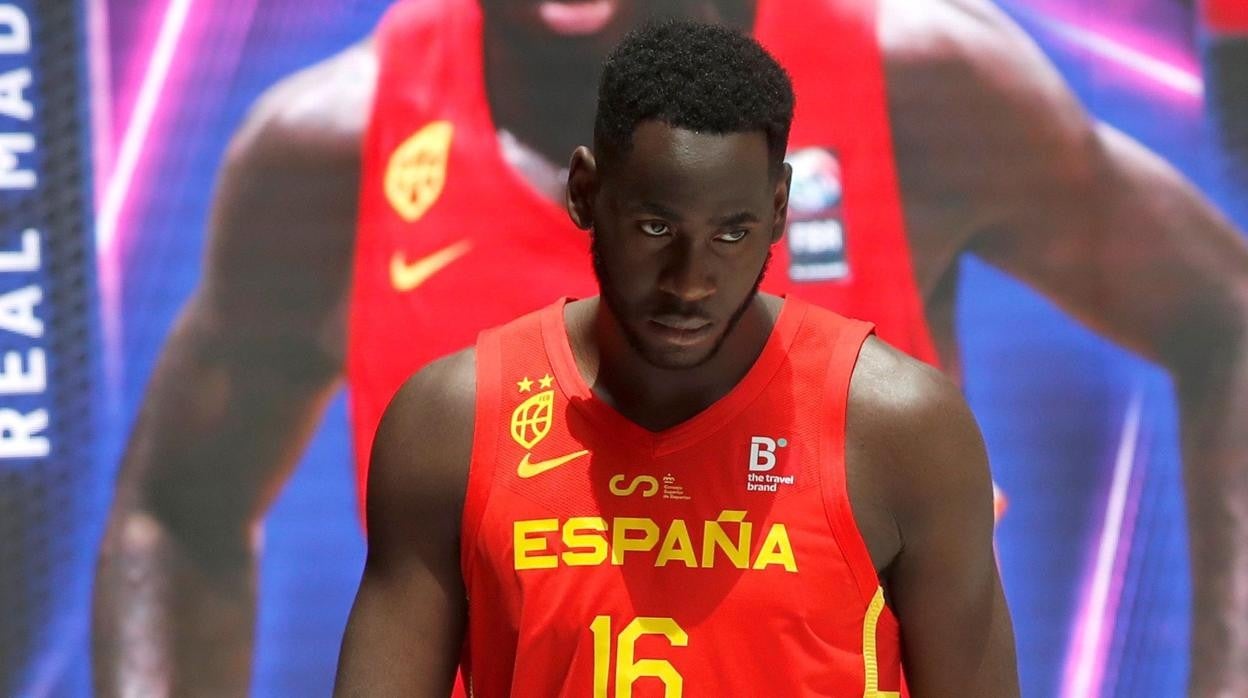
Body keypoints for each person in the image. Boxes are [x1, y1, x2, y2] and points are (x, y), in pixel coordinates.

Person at [93, 0, 1248, 695]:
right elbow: (174, 513)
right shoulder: (335, 160)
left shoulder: (914, 79)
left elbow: (1227, 321)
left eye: (731, 239)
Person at [333, 22, 1019, 695]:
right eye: (656, 227)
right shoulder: (451, 426)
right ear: (585, 193)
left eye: (731, 234)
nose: (690, 282)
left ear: (779, 210)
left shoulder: (903, 432)